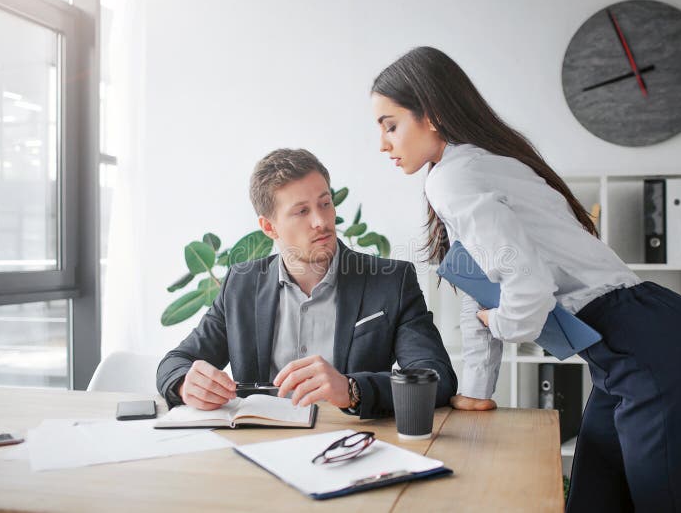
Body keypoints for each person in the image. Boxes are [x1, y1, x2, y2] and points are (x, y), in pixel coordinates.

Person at [370, 46, 681, 512]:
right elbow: (477, 282)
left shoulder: (455, 178)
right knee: (592, 500)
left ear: (433, 115)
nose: (382, 144)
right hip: (631, 349)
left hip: (654, 350)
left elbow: (528, 290)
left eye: (390, 125)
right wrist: (476, 392)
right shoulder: (468, 166)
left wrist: (499, 322)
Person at [156, 148, 457, 419]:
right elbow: (176, 362)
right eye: (302, 211)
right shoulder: (241, 285)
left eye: (325, 204)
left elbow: (437, 377)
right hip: (258, 450)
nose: (321, 221)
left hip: (352, 445)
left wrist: (351, 388)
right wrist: (185, 383)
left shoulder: (391, 281)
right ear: (269, 227)